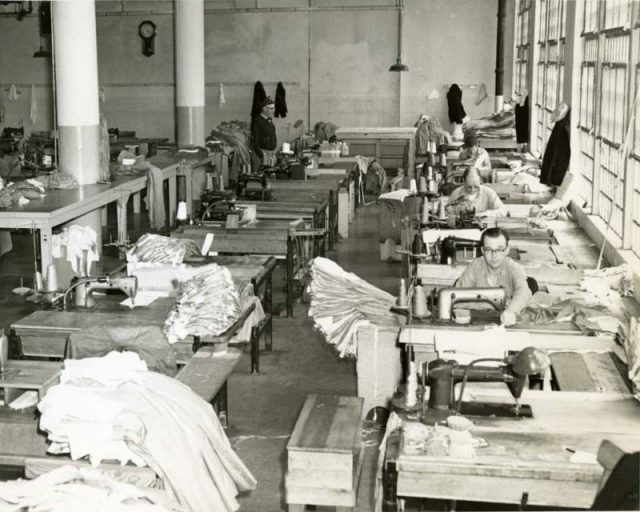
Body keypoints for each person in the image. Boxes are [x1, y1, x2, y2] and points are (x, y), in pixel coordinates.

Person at [455, 227, 532, 326]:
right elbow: (457, 298)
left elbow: (524, 293)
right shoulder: (475, 266)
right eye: (488, 250)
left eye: (499, 250)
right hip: (479, 325)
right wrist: (497, 304)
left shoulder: (514, 268)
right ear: (482, 250)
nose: (494, 255)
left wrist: (511, 311)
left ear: (507, 250)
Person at [250, 97, 277, 172]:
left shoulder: (269, 120)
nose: (273, 111)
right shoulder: (257, 121)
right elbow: (255, 140)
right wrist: (261, 155)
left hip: (269, 154)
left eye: (273, 108)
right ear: (264, 109)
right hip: (261, 155)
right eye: (271, 109)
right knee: (260, 177)